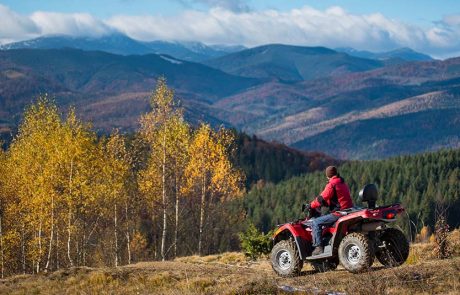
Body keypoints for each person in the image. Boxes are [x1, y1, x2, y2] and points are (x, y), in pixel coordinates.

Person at [308, 166, 353, 256]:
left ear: (328, 175)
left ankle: (318, 247)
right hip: (348, 210)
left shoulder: (332, 184)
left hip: (339, 213)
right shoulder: (342, 182)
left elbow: (321, 198)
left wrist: (311, 205)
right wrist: (326, 203)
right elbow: (336, 197)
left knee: (316, 222)